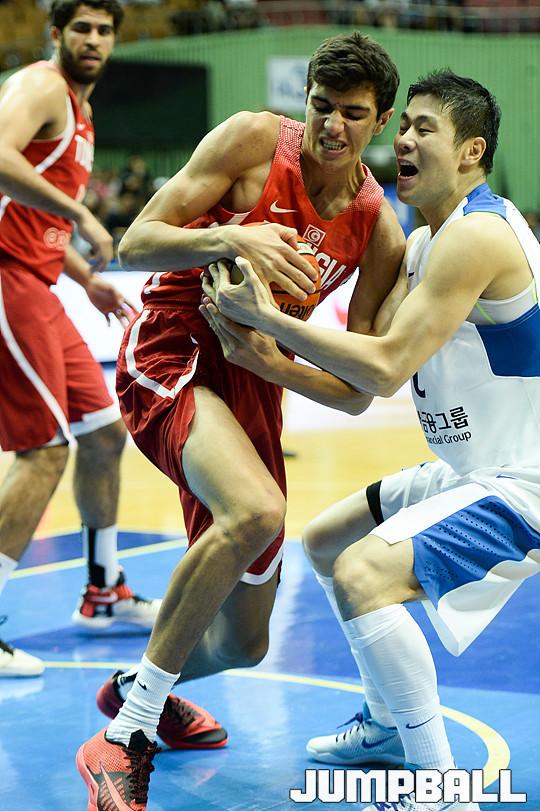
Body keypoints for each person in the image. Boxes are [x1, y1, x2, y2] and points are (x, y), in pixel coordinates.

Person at [76, 31, 405, 811]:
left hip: (253, 381)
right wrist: (231, 233)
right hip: (174, 351)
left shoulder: (376, 227)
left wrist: (271, 360)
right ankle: (125, 734)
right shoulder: (255, 140)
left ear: (381, 121)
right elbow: (136, 240)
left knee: (244, 642)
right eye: (321, 105)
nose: (331, 125)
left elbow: (357, 390)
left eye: (352, 114)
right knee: (255, 511)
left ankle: (137, 683)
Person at [203, 70, 540, 811]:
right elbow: (364, 380)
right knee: (328, 542)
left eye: (425, 128)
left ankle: (438, 787)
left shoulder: (479, 235)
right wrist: (269, 358)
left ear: (473, 150)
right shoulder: (422, 242)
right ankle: (388, 725)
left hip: (526, 480)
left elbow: (385, 367)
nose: (405, 140)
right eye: (404, 126)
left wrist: (268, 323)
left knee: (364, 574)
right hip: (473, 466)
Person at [0, 0, 165, 678]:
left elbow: (27, 214)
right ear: (56, 34)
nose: (94, 40)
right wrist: (83, 215)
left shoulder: (80, 110)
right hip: (7, 279)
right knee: (43, 450)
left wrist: (83, 276)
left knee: (103, 433)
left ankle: (103, 590)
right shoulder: (41, 86)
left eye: (104, 31)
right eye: (82, 29)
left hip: (39, 279)